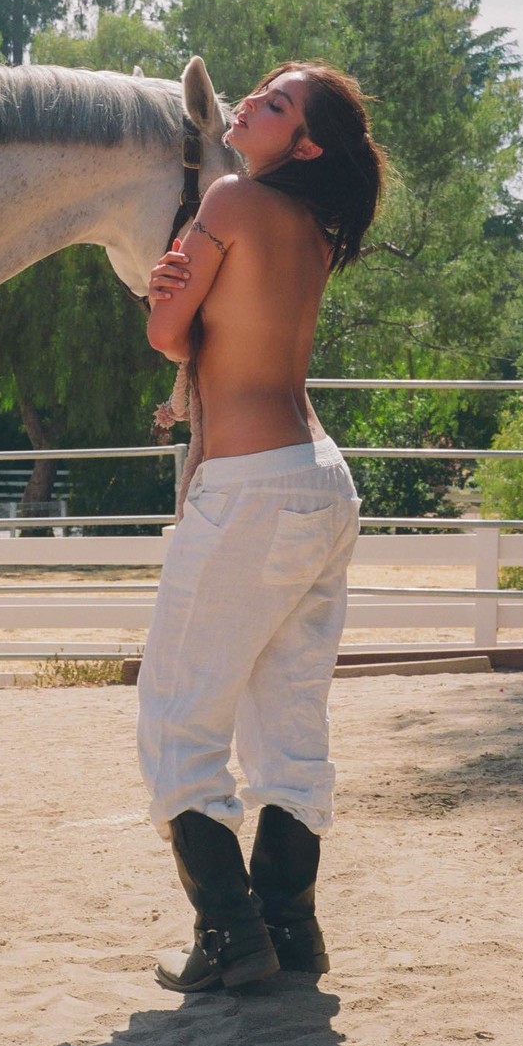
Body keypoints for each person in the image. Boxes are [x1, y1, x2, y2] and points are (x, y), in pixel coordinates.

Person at [137, 60, 388, 992]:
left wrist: (169, 289)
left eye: (276, 104)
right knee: (290, 722)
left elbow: (169, 335)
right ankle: (289, 929)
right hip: (320, 481)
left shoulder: (232, 201)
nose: (249, 103)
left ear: (306, 145)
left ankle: (231, 938)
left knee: (177, 716)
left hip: (249, 489)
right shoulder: (314, 232)